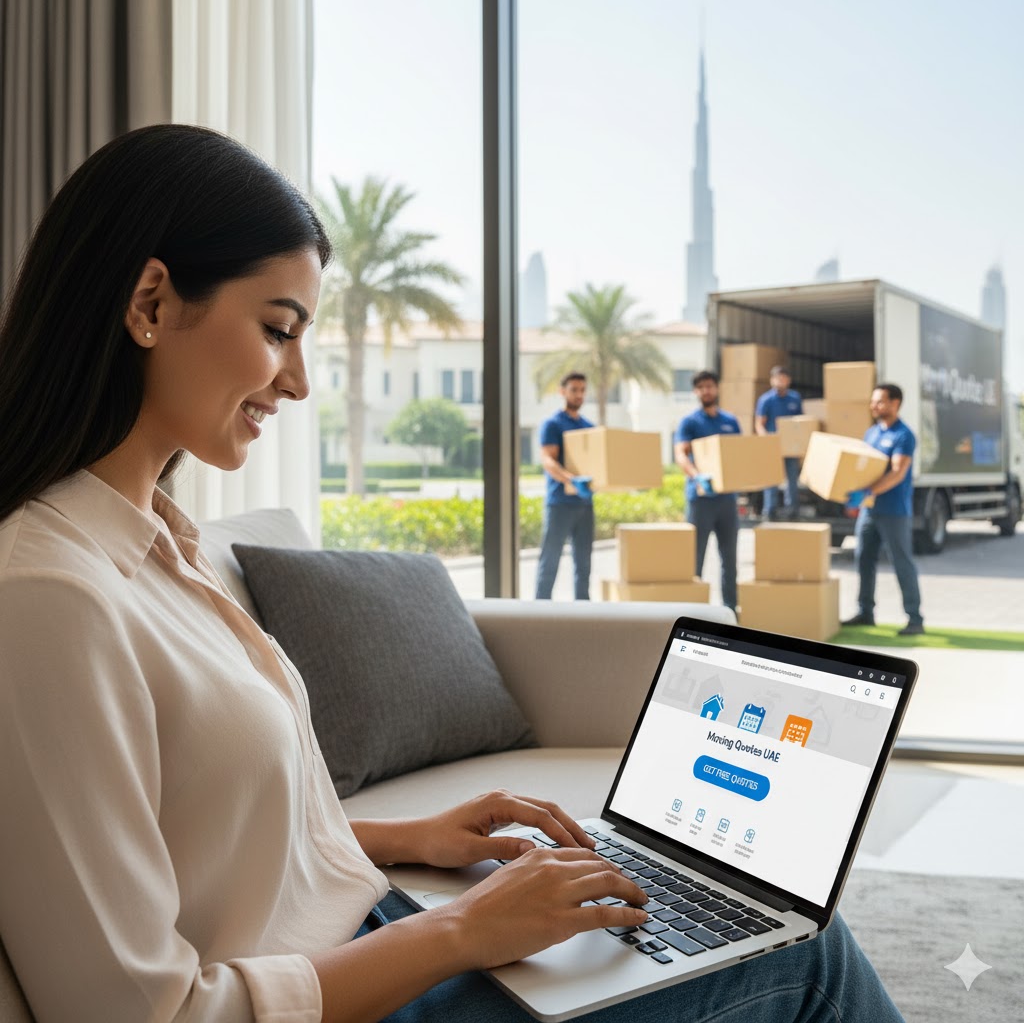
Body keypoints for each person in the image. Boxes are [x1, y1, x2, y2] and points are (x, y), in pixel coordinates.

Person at [0, 125, 904, 1023]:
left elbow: (201, 837)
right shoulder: (50, 599)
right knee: (809, 953)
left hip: (368, 932)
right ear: (152, 302)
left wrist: (415, 839)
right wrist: (461, 931)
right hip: (360, 992)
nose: (299, 381)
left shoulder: (160, 547)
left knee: (700, 916)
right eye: (279, 330)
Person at [841, 383, 925, 636]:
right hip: (869, 511)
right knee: (864, 560)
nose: (873, 406)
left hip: (894, 511)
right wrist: (854, 495)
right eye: (873, 401)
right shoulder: (871, 433)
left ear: (895, 403)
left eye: (879, 401)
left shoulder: (903, 435)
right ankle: (865, 612)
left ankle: (915, 619)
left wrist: (869, 492)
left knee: (902, 562)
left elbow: (898, 472)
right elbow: (862, 468)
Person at [674, 371, 741, 612]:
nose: (706, 391)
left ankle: (730, 610)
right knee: (695, 559)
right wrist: (696, 476)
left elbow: (738, 455)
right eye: (701, 387)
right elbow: (680, 453)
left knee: (729, 559)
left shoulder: (731, 421)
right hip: (700, 499)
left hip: (727, 500)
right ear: (696, 392)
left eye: (709, 386)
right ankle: (693, 612)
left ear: (717, 388)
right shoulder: (690, 422)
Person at [534, 371, 595, 600]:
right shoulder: (553, 424)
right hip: (559, 504)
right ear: (563, 392)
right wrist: (571, 480)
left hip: (585, 504)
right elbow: (548, 460)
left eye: (582, 390)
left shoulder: (589, 426)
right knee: (550, 560)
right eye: (574, 390)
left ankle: (584, 611)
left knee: (584, 563)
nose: (579, 395)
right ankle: (541, 611)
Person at [755, 365, 803, 520]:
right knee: (771, 478)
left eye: (783, 378)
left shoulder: (795, 398)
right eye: (777, 378)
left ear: (788, 380)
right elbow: (759, 423)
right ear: (771, 380)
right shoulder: (766, 400)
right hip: (773, 444)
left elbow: (799, 423)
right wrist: (766, 439)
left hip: (789, 445)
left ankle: (792, 510)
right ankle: (770, 510)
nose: (780, 381)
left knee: (792, 478)